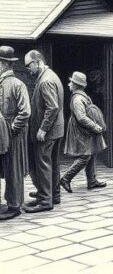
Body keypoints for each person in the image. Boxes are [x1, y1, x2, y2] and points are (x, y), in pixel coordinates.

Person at [24, 50, 65, 213]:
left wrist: (42, 129)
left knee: (43, 165)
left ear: (38, 62)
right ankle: (53, 195)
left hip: (47, 132)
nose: (28, 69)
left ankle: (45, 200)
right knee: (53, 164)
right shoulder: (50, 75)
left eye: (29, 65)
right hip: (56, 130)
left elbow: (52, 107)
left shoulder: (45, 80)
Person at [60, 71, 107, 193]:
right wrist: (95, 127)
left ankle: (91, 180)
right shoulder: (78, 98)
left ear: (76, 85)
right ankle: (66, 178)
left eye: (71, 82)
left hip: (84, 130)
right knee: (85, 156)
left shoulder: (80, 97)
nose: (69, 84)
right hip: (81, 130)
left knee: (90, 153)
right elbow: (81, 118)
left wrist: (94, 127)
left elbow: (82, 117)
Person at [0, 46, 31, 221]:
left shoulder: (18, 84)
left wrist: (12, 129)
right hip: (1, 132)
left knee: (13, 169)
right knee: (4, 167)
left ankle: (14, 205)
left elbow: (25, 112)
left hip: (13, 133)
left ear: (4, 64)